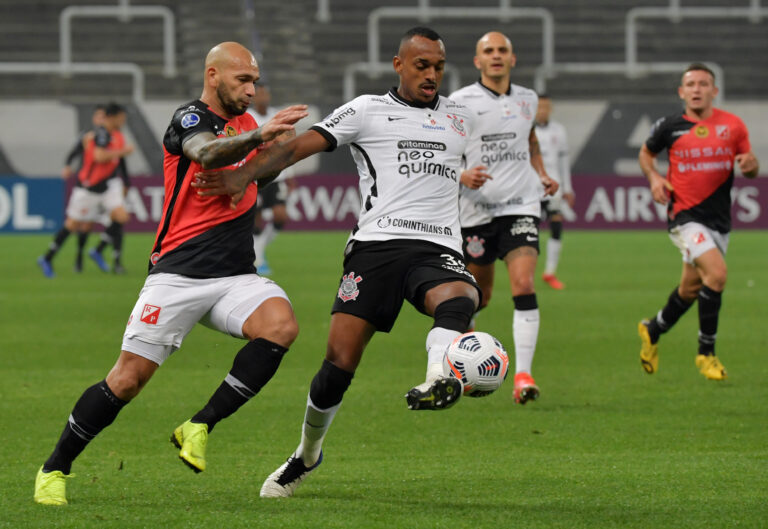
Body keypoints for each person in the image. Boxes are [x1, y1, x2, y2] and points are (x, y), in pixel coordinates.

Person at [193, 27, 481, 498]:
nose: (431, 75)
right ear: (399, 64)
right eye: (422, 65)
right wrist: (243, 176)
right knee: (338, 363)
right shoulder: (367, 110)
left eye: (438, 67)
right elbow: (295, 146)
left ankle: (437, 378)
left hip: (437, 246)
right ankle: (307, 455)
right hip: (375, 248)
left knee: (460, 296)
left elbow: (474, 167)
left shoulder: (461, 119)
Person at [33, 41, 308, 506]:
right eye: (242, 79)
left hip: (234, 277)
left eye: (254, 81)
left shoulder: (246, 124)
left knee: (281, 326)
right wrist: (261, 138)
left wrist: (279, 152)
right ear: (213, 75)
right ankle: (54, 467)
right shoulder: (190, 118)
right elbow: (206, 154)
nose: (251, 89)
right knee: (126, 381)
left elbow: (259, 175)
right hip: (178, 273)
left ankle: (198, 425)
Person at [449, 32, 558, 405]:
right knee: (479, 296)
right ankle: (466, 349)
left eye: (502, 51)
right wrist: (462, 175)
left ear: (513, 59)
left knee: (524, 285)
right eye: (488, 51)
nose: (496, 56)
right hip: (476, 210)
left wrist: (541, 174)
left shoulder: (527, 99)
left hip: (521, 204)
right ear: (478, 61)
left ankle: (524, 376)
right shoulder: (460, 102)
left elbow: (530, 142)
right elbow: (445, 148)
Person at [637, 63, 759, 381]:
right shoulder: (670, 126)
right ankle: (706, 353)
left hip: (718, 221)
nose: (696, 89)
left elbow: (749, 166)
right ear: (682, 92)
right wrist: (653, 178)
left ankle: (652, 329)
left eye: (703, 84)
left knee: (691, 289)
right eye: (690, 84)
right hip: (685, 217)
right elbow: (646, 154)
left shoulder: (733, 126)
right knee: (717, 276)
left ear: (713, 91)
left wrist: (751, 166)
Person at [37, 103, 133, 277]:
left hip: (107, 187)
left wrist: (125, 180)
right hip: (88, 188)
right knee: (72, 224)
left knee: (121, 216)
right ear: (113, 117)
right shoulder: (101, 134)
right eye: (121, 117)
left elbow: (118, 161)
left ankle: (98, 250)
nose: (123, 121)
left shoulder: (118, 135)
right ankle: (47, 257)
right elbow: (99, 156)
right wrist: (123, 152)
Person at [246, 83, 296, 275]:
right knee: (256, 220)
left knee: (280, 216)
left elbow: (287, 147)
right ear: (254, 97)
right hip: (256, 176)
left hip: (277, 176)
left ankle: (259, 252)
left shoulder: (277, 117)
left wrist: (289, 174)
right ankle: (258, 258)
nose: (264, 97)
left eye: (266, 93)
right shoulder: (248, 118)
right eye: (260, 94)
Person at [534, 94, 573, 290]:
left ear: (550, 109)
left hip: (554, 186)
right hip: (531, 187)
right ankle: (526, 270)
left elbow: (563, 162)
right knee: (530, 228)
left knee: (556, 223)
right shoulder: (527, 130)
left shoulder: (559, 130)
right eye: (539, 107)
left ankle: (550, 272)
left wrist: (568, 188)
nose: (543, 110)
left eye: (546, 107)